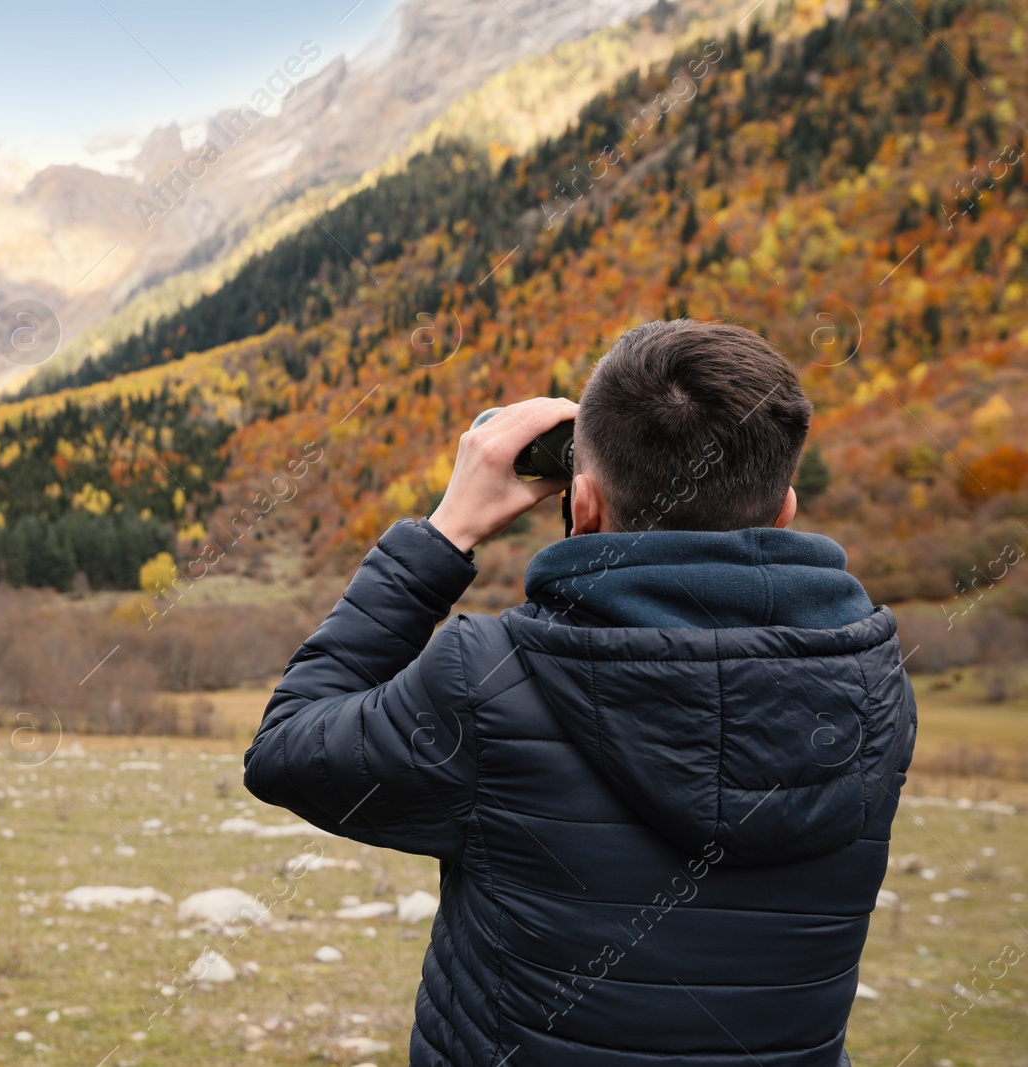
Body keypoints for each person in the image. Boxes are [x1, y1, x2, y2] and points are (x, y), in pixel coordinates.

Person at [244, 319, 916, 1067]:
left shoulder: (488, 681)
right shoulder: (874, 686)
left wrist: (444, 533)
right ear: (785, 508)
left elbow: (284, 748)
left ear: (583, 505)